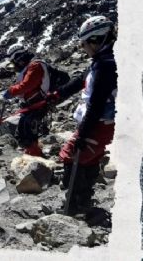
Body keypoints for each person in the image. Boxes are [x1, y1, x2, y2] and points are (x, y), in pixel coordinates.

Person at [48, 15, 117, 215]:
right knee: (89, 157)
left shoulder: (106, 65)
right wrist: (57, 95)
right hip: (104, 122)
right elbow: (81, 79)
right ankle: (82, 201)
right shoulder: (104, 59)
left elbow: (96, 103)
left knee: (72, 156)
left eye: (84, 43)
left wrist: (84, 132)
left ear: (97, 40)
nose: (82, 48)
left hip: (98, 123)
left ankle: (75, 204)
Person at [0, 43, 51, 157]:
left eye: (14, 61)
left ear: (19, 57)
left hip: (38, 104)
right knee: (24, 131)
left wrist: (11, 91)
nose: (15, 64)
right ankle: (32, 154)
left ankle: (36, 159)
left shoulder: (35, 65)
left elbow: (27, 85)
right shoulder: (30, 66)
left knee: (28, 132)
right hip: (32, 104)